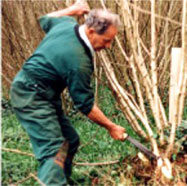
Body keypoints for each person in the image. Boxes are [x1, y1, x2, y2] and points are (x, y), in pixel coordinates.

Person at [10, 1, 126, 185]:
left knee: (69, 140)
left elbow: (46, 19)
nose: (109, 46)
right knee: (54, 150)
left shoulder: (67, 25)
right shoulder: (78, 61)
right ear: (91, 31)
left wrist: (71, 11)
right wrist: (111, 127)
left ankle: (62, 180)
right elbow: (85, 104)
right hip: (30, 96)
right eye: (106, 40)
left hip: (43, 95)